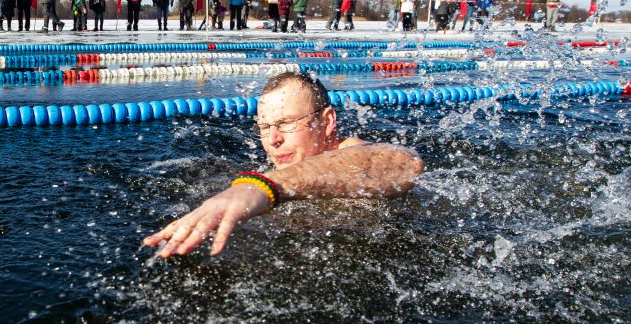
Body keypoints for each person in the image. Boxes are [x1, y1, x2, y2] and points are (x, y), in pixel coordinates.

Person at [142, 72, 424, 258]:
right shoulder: (277, 167)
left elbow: (405, 164)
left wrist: (265, 187)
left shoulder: (351, 150)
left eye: (286, 123)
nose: (273, 140)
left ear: (326, 122)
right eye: (264, 127)